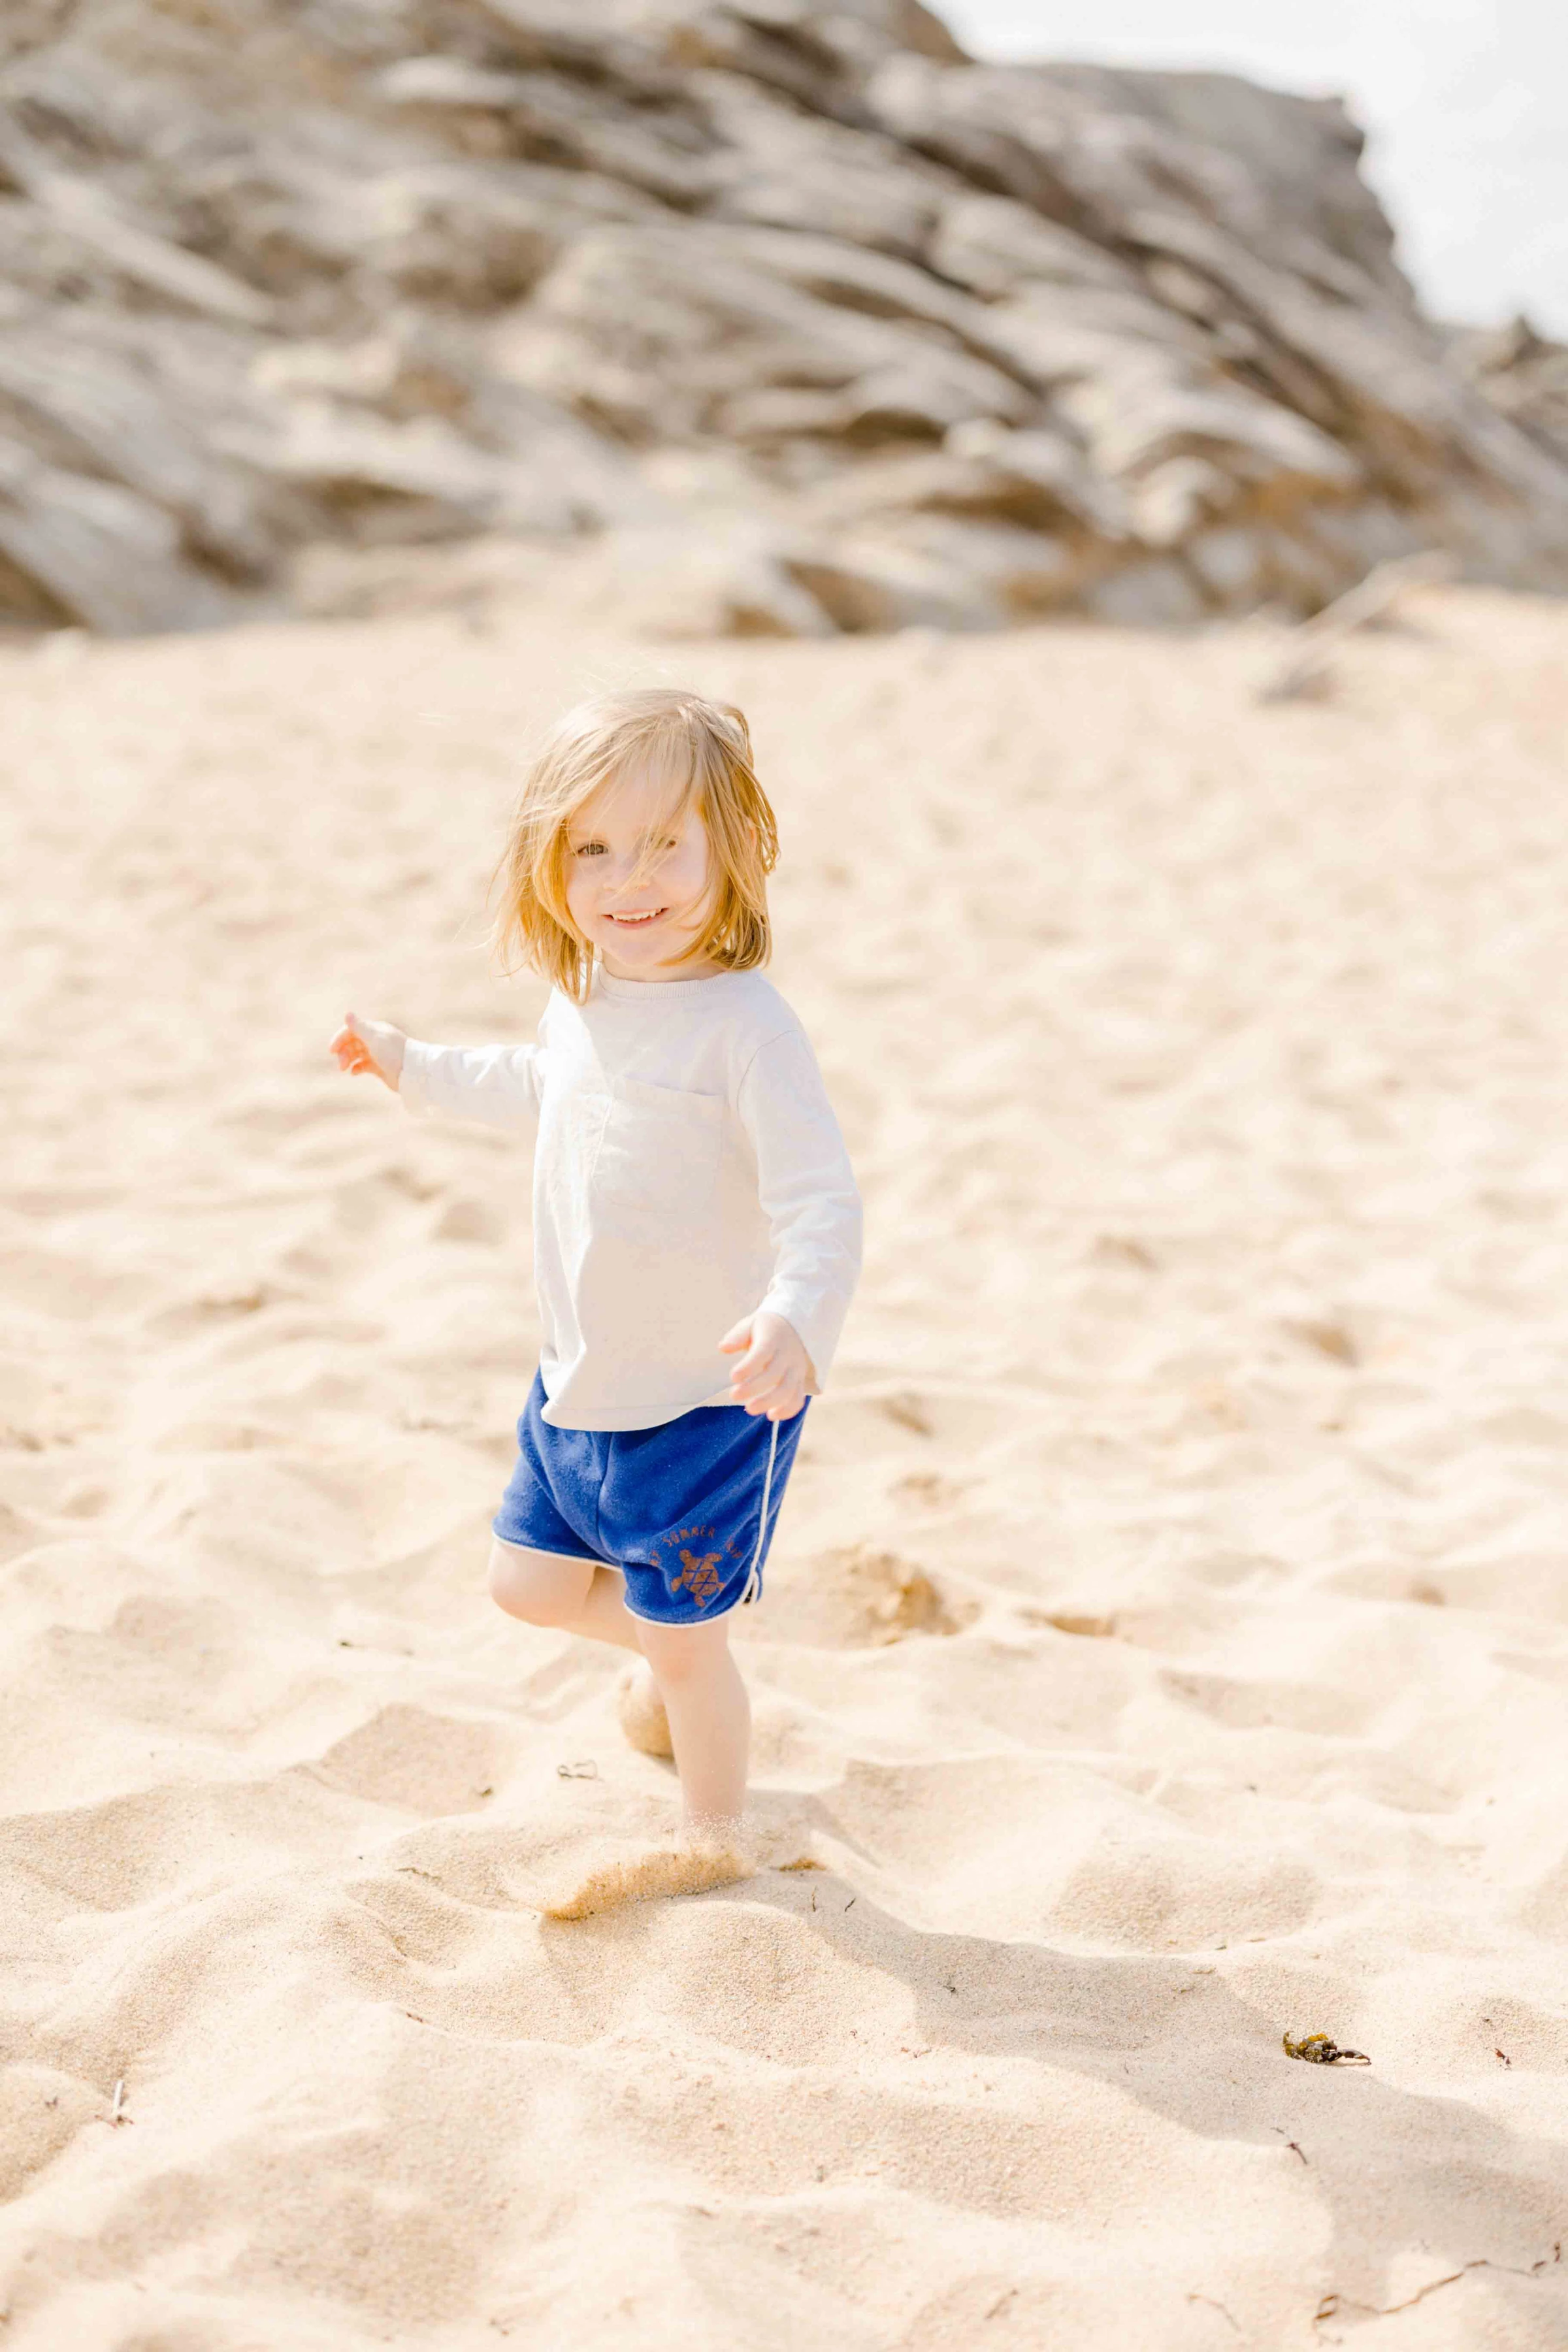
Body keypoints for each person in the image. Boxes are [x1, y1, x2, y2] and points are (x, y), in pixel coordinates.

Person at [329, 688, 860, 1912]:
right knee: (530, 1589)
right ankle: (685, 1662)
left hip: (708, 1401)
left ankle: (715, 1827)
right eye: (594, 848)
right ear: (548, 864)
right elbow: (539, 1089)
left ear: (735, 844)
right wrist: (414, 1066)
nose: (632, 880)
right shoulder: (585, 1001)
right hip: (578, 1380)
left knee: (684, 1644)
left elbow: (825, 1204)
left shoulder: (745, 1029)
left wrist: (796, 1322)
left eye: (669, 842)